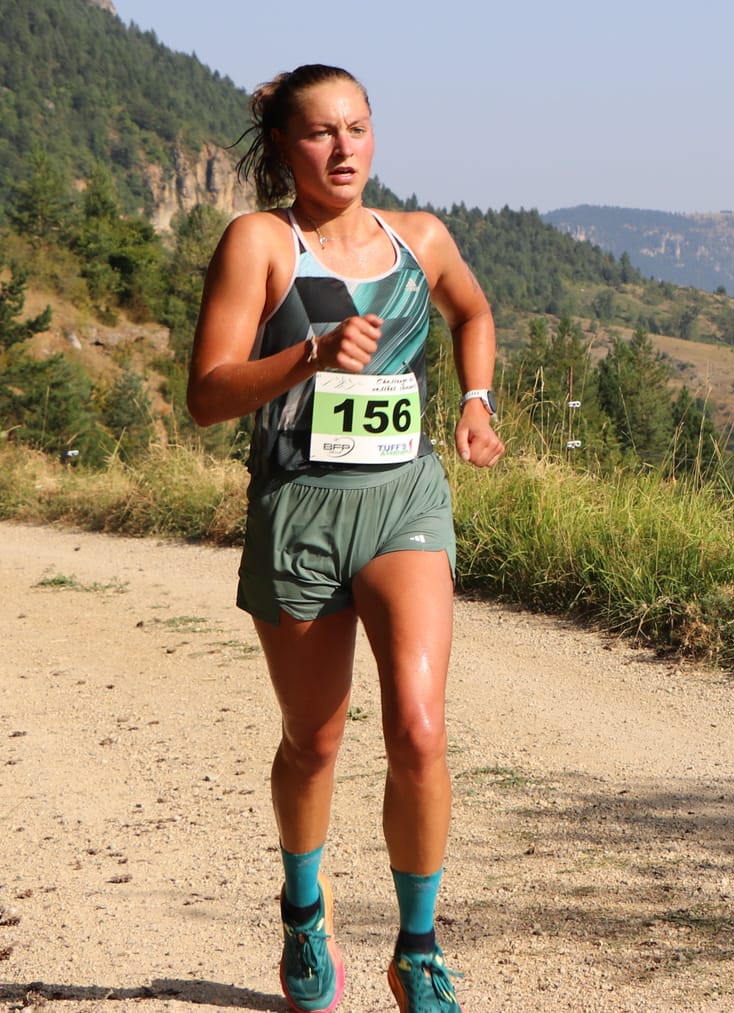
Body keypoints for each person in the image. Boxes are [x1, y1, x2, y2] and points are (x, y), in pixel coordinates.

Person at [188, 63, 504, 1013]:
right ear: (285, 149)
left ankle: (417, 948)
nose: (343, 150)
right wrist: (310, 355)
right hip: (300, 508)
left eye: (358, 129)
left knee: (418, 729)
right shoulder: (260, 242)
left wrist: (477, 400)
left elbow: (473, 310)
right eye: (321, 134)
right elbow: (207, 393)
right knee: (315, 739)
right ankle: (303, 909)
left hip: (404, 498)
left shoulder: (420, 238)